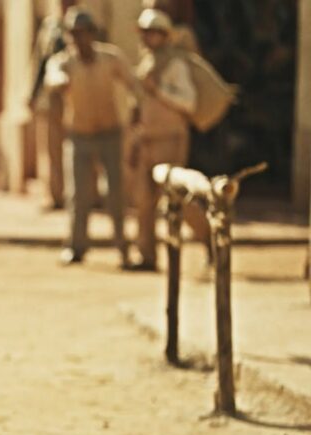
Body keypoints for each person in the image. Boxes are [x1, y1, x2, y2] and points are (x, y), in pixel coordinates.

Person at [44, 7, 135, 267]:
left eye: (82, 33)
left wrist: (136, 108)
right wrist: (59, 82)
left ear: (93, 34)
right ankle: (76, 246)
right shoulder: (63, 62)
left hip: (110, 132)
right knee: (78, 194)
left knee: (115, 194)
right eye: (73, 34)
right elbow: (53, 77)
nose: (78, 39)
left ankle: (122, 246)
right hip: (79, 134)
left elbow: (133, 84)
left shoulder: (110, 58)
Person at [129, 8, 211, 271]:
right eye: (145, 32)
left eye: (153, 33)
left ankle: (210, 237)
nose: (148, 37)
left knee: (177, 198)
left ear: (164, 35)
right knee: (143, 202)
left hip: (170, 138)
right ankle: (146, 256)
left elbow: (188, 103)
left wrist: (159, 90)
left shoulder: (175, 64)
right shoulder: (147, 63)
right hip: (147, 138)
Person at [29, 0, 76, 211]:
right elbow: (41, 61)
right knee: (52, 146)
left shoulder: (83, 24)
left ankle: (81, 195)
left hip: (76, 93)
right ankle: (55, 194)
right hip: (52, 94)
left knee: (79, 146)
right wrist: (33, 93)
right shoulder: (50, 26)